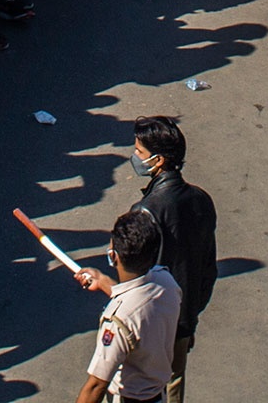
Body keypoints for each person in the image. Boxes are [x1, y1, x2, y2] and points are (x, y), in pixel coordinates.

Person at [123, 118, 213, 397]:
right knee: (173, 384)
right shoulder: (201, 200)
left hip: (151, 321)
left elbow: (133, 277)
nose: (135, 156)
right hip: (183, 317)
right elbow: (207, 268)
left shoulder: (145, 212)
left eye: (139, 151)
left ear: (158, 160)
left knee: (141, 388)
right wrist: (190, 317)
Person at [68, 210, 180, 403]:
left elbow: (96, 385)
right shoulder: (167, 282)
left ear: (114, 257)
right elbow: (138, 301)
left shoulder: (117, 321)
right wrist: (103, 281)